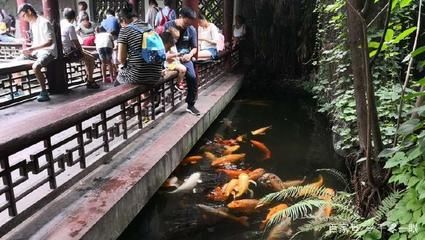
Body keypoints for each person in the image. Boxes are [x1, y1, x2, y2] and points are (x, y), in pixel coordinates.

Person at [16, 3, 57, 102]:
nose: (23, 18)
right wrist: (29, 50)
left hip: (48, 52)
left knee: (36, 67)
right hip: (37, 51)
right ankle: (19, 89)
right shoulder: (33, 24)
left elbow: (49, 41)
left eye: (23, 15)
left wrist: (33, 48)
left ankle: (44, 92)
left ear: (29, 12)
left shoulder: (44, 22)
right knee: (16, 61)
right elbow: (37, 42)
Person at [164, 7, 200, 116]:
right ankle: (157, 103)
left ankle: (191, 104)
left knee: (193, 78)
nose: (187, 25)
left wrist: (189, 55)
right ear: (181, 17)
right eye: (186, 22)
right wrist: (173, 56)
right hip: (170, 57)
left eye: (189, 23)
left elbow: (194, 48)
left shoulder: (191, 30)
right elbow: (164, 45)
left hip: (185, 58)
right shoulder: (169, 25)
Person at [116, 2, 162, 85]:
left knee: (117, 83)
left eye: (120, 23)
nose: (121, 25)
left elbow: (121, 59)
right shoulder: (149, 27)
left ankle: (132, 98)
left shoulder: (125, 30)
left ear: (123, 20)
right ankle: (146, 97)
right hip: (156, 73)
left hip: (138, 76)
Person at [60, 8, 99, 89]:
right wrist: (81, 50)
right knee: (91, 59)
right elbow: (75, 41)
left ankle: (88, 77)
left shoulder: (62, 23)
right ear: (74, 17)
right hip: (70, 52)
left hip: (66, 50)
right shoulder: (70, 26)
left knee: (89, 57)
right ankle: (90, 80)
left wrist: (81, 50)